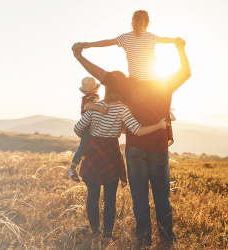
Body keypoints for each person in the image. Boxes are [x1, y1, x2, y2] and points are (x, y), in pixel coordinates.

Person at [71, 37, 191, 248]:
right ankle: (166, 239)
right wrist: (180, 49)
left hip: (135, 149)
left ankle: (143, 239)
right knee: (162, 198)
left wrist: (80, 55)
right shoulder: (165, 83)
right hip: (159, 147)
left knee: (140, 198)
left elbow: (102, 75)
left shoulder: (127, 84)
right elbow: (185, 72)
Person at [74, 85, 167, 248]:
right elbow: (137, 131)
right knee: (110, 199)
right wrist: (159, 126)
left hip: (92, 152)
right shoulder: (122, 108)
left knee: (92, 196)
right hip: (111, 153)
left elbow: (77, 128)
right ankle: (107, 237)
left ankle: (95, 234)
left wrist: (91, 139)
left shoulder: (96, 105)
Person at [80, 10, 176, 81]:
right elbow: (165, 39)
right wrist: (176, 40)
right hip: (155, 80)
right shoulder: (151, 36)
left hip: (135, 82)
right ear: (147, 23)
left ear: (132, 23)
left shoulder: (125, 37)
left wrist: (87, 44)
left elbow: (108, 42)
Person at [65, 76, 110, 182]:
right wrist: (99, 108)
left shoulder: (93, 97)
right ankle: (72, 168)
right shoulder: (89, 99)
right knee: (83, 148)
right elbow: (88, 106)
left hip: (91, 125)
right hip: (88, 126)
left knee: (87, 147)